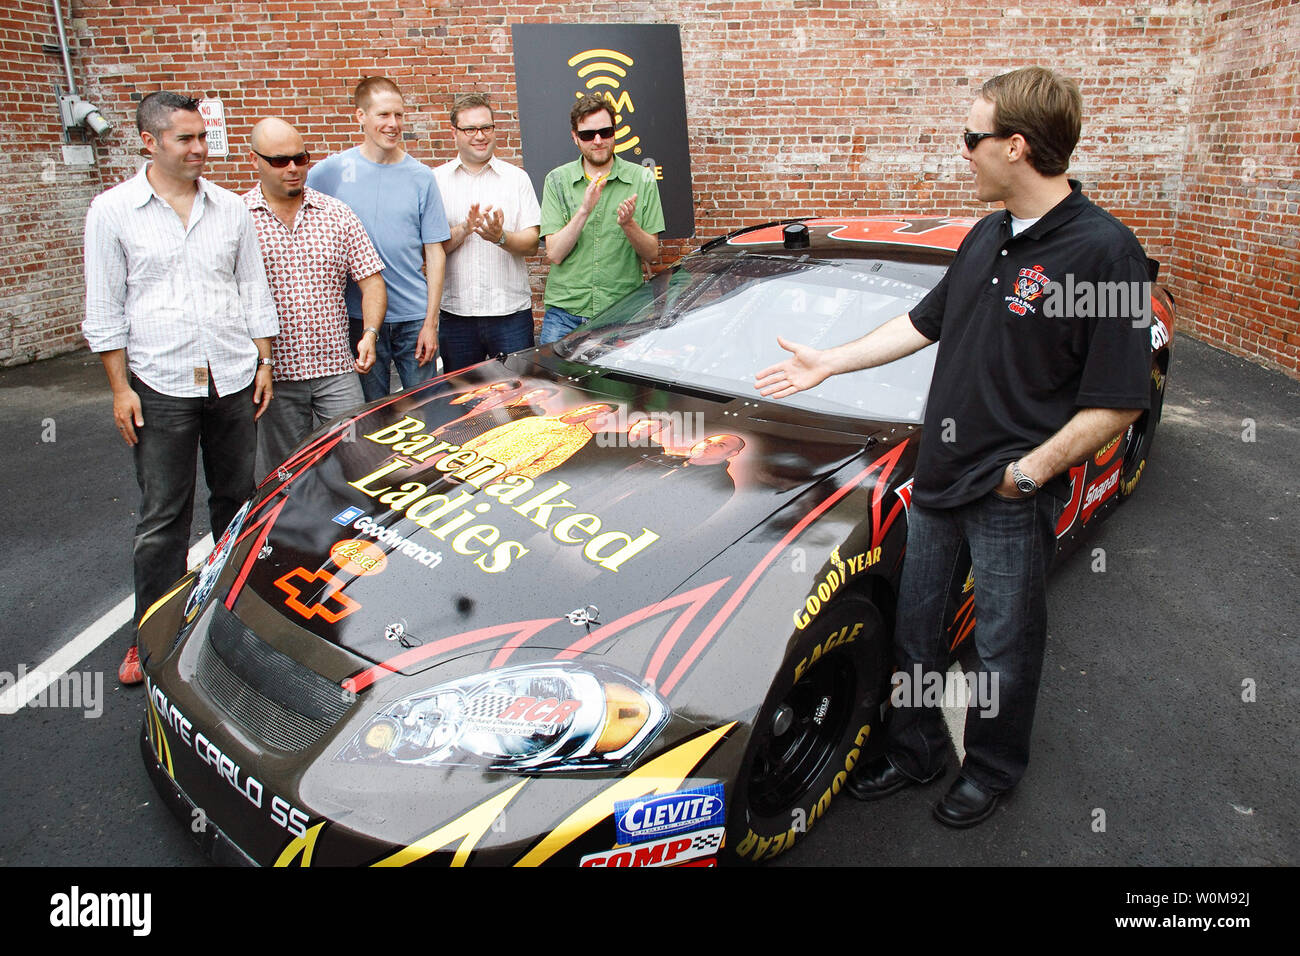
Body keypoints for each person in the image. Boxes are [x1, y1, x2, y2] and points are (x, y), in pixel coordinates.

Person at [755, 67, 1152, 827]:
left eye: (972, 138)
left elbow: (1118, 401)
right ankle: (913, 750)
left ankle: (994, 768)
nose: (961, 151)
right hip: (938, 479)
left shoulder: (1106, 254)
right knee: (917, 627)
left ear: (1016, 145)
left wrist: (1026, 474)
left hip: (1010, 494)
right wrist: (829, 360)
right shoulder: (988, 233)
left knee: (1004, 645)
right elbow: (922, 323)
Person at [83, 92, 278, 685]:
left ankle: (231, 619)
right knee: (163, 516)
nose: (199, 149)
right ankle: (150, 635)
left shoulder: (229, 208)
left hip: (232, 375)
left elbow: (252, 286)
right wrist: (121, 389)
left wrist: (263, 359)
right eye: (185, 139)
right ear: (150, 141)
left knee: (236, 504)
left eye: (202, 137)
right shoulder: (113, 211)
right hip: (159, 382)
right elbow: (104, 307)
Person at [243, 118, 387, 477]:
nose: (293, 169)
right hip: (275, 375)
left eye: (301, 158)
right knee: (285, 475)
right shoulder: (238, 218)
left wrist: (369, 333)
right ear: (255, 160)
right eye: (280, 161)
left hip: (336, 368)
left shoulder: (336, 215)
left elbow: (371, 281)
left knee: (361, 461)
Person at [307, 76, 450, 399]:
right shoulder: (329, 173)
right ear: (361, 116)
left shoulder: (421, 177)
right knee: (370, 415)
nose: (393, 124)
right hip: (358, 317)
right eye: (383, 115)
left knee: (424, 410)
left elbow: (435, 251)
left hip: (413, 319)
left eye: (399, 115)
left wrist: (431, 322)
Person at [538, 93, 664, 344]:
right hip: (564, 316)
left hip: (621, 314)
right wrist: (583, 210)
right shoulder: (557, 180)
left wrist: (629, 225)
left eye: (605, 132)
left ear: (615, 133)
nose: (598, 140)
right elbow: (555, 253)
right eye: (587, 134)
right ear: (575, 137)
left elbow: (652, 254)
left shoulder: (642, 178)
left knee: (621, 385)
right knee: (556, 383)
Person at [433, 93, 541, 372]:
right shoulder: (436, 181)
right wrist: (465, 229)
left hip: (510, 316)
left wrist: (500, 237)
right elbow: (432, 251)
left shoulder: (517, 179)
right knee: (461, 402)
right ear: (454, 132)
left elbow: (531, 244)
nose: (479, 136)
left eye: (486, 127)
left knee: (518, 401)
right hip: (457, 316)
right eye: (470, 129)